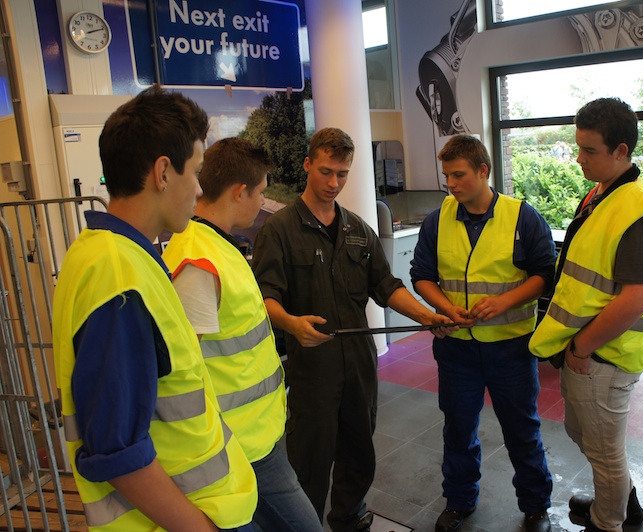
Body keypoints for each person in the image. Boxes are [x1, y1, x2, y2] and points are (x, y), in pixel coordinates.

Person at [52, 86, 257, 531]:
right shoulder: (117, 275)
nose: (199, 189)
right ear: (163, 172)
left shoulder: (113, 255)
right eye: (196, 172)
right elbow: (117, 451)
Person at [251, 127, 453, 532]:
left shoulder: (358, 229)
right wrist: (291, 323)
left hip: (359, 365)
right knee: (309, 459)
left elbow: (387, 286)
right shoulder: (280, 230)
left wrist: (426, 316)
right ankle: (306, 525)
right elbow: (265, 297)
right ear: (307, 164)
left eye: (342, 174)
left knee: (359, 452)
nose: (333, 183)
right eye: (325, 171)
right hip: (312, 367)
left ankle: (349, 518)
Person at [161, 138, 322, 532]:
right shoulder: (199, 261)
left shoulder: (216, 245)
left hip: (253, 438)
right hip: (237, 447)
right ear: (239, 192)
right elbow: (180, 373)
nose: (263, 202)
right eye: (261, 192)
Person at [529, 98, 643, 532]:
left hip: (606, 354)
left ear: (621, 151)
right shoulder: (603, 193)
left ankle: (607, 521)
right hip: (588, 348)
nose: (579, 158)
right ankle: (623, 500)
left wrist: (582, 348)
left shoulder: (636, 210)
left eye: (589, 150)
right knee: (584, 434)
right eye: (579, 147)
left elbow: (636, 298)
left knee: (605, 451)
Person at [410, 134, 556, 532]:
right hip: (456, 349)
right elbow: (421, 275)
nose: (451, 184)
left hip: (511, 350)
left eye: (459, 175)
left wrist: (504, 302)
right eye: (446, 176)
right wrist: (443, 307)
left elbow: (545, 274)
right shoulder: (438, 219)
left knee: (522, 430)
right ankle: (459, 501)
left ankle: (536, 507)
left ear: (483, 171)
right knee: (458, 429)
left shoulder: (522, 217)